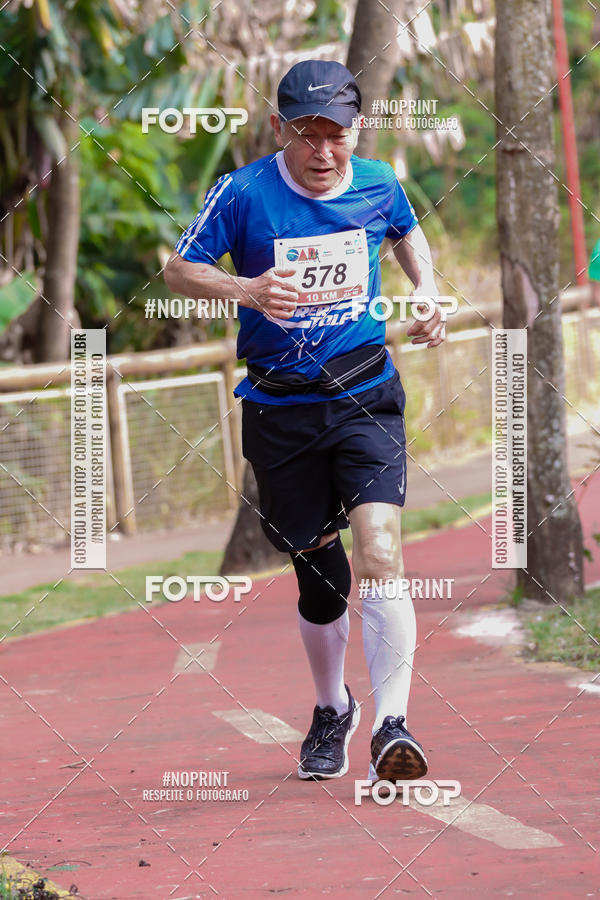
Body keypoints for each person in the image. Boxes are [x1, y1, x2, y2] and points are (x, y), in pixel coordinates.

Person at [165, 59, 445, 784]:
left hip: (364, 394)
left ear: (358, 129)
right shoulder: (243, 192)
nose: (323, 152)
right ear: (278, 128)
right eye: (306, 134)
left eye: (337, 135)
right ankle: (333, 707)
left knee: (382, 548)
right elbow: (179, 269)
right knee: (320, 577)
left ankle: (393, 725)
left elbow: (408, 231)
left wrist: (430, 291)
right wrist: (247, 288)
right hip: (279, 408)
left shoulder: (379, 181)